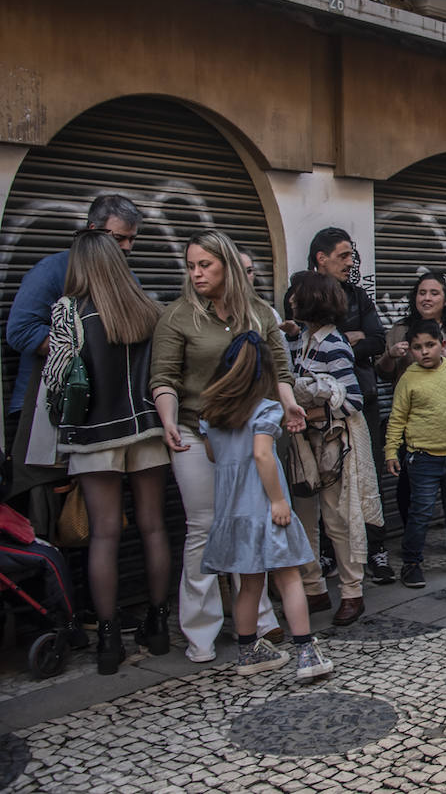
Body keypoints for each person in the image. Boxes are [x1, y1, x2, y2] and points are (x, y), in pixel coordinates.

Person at [151, 230, 305, 663]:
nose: (196, 273)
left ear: (227, 266)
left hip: (253, 432)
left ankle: (256, 624)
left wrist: (289, 405)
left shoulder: (259, 312)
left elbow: (280, 370)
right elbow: (164, 377)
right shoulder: (177, 316)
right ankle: (200, 631)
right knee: (204, 526)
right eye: (191, 266)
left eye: (205, 265)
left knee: (254, 523)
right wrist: (167, 421)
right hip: (196, 432)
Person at [44, 231, 170, 675]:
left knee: (103, 535)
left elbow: (57, 376)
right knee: (154, 527)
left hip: (95, 433)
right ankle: (159, 626)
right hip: (148, 430)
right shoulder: (150, 308)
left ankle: (109, 641)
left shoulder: (69, 310)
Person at [198, 332, 333, 681]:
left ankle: (248, 652)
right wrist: (278, 500)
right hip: (265, 508)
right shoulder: (265, 409)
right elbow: (261, 454)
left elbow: (213, 456)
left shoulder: (211, 414)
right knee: (289, 578)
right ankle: (306, 653)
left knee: (249, 585)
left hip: (233, 512)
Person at [6, 195, 143, 529]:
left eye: (132, 239)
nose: (126, 247)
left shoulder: (128, 279)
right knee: (52, 517)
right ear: (92, 229)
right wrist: (83, 354)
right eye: (119, 238)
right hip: (49, 412)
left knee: (96, 522)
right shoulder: (53, 270)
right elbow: (21, 331)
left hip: (105, 415)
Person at [292, 229, 393, 585]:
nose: (351, 262)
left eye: (351, 255)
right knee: (320, 482)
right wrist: (351, 340)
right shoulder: (301, 292)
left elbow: (377, 340)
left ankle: (374, 550)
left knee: (365, 476)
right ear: (321, 258)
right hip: (316, 417)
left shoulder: (357, 296)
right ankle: (328, 555)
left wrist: (345, 347)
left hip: (358, 401)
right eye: (344, 255)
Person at [285, 271, 380, 626]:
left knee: (337, 520)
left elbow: (353, 399)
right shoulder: (301, 340)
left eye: (296, 293)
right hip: (303, 445)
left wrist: (308, 413)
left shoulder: (333, 344)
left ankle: (352, 592)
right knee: (304, 519)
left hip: (330, 445)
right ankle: (314, 589)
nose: (290, 299)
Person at [385, 319, 446, 588]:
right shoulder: (408, 379)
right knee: (421, 511)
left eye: (430, 345)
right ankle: (412, 562)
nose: (425, 351)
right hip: (422, 457)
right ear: (410, 350)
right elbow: (397, 418)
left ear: (443, 344)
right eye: (417, 347)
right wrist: (391, 451)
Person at [377, 272, 446, 531]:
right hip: (412, 424)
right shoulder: (400, 330)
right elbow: (383, 373)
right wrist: (391, 356)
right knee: (410, 486)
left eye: (434, 293)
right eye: (421, 293)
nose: (426, 298)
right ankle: (412, 538)